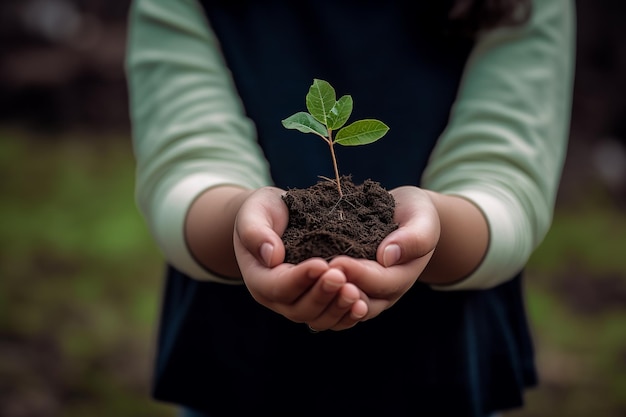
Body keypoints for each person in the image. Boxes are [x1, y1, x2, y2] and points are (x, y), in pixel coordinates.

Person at [126, 0, 575, 416]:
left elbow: (506, 182)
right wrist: (243, 225)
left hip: (440, 366)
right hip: (241, 362)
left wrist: (431, 229)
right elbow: (186, 164)